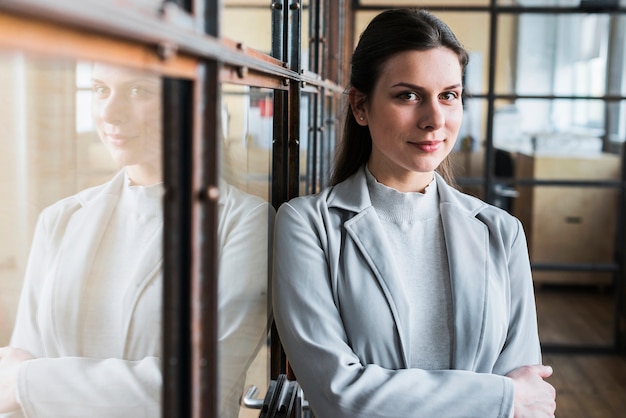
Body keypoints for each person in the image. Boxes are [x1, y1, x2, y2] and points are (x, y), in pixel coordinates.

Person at [272, 8, 556, 418]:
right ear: (360, 107)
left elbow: (527, 395)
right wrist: (499, 399)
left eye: (449, 95)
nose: (435, 120)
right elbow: (339, 396)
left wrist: (512, 399)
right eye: (408, 95)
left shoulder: (500, 231)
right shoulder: (307, 226)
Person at [0, 62, 271, 417]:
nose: (110, 114)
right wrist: (23, 384)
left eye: (138, 91)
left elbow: (200, 390)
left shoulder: (246, 222)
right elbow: (12, 385)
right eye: (100, 90)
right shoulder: (60, 219)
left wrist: (30, 384)